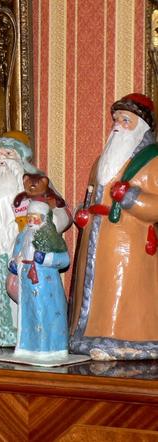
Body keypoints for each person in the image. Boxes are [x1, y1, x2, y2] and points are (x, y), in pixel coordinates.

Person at [70, 93, 158, 360]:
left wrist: (132, 198)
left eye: (125, 120)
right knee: (95, 289)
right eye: (116, 119)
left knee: (121, 292)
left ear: (141, 127)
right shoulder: (102, 161)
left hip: (128, 244)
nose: (118, 125)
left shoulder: (152, 162)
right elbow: (91, 194)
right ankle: (87, 334)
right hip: (96, 240)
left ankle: (126, 338)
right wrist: (84, 212)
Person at [0, 132, 71, 347]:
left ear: (21, 157)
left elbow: (62, 212)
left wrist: (43, 229)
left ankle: (23, 331)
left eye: (9, 153)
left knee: (23, 293)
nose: (2, 159)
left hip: (23, 248)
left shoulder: (36, 183)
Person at [7, 201, 70, 360]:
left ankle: (49, 349)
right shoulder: (22, 236)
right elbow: (15, 255)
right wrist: (13, 264)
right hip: (26, 281)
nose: (31, 221)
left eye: (35, 218)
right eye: (29, 217)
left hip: (46, 284)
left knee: (46, 314)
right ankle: (28, 347)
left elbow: (64, 260)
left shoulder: (51, 238)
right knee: (29, 315)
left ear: (44, 219)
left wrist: (46, 259)